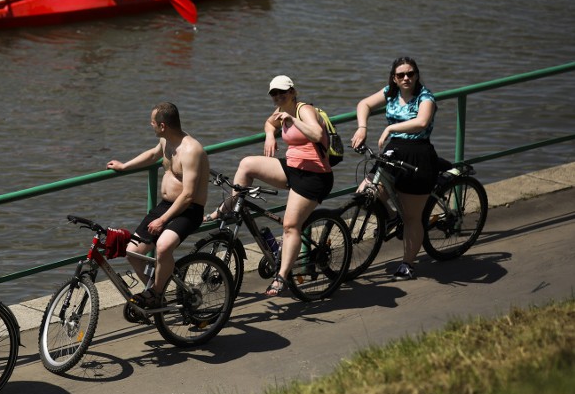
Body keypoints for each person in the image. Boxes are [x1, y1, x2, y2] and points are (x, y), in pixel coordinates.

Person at [208, 75, 334, 297]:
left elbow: (316, 133)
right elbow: (269, 123)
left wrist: (292, 119)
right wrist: (270, 135)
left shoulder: (304, 110)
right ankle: (231, 206)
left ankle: (282, 277)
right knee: (247, 164)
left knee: (290, 226)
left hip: (315, 176)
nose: (278, 96)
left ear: (293, 92)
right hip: (293, 169)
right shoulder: (281, 111)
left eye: (282, 92)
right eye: (274, 93)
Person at [106, 102, 209, 308]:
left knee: (162, 248)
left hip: (188, 210)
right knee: (132, 251)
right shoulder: (165, 141)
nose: (150, 125)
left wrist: (162, 220)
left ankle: (157, 293)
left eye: (152, 122)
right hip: (165, 205)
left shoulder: (191, 151)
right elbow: (153, 155)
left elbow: (188, 194)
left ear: (162, 126)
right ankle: (156, 288)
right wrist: (124, 166)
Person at [350, 56, 439, 281]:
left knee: (411, 217)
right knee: (365, 192)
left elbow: (421, 122)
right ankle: (390, 217)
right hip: (393, 152)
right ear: (394, 78)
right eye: (401, 75)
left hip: (417, 154)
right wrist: (362, 127)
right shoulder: (391, 92)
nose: (406, 78)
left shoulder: (425, 96)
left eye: (410, 74)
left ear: (417, 75)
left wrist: (391, 128)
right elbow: (364, 104)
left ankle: (407, 265)